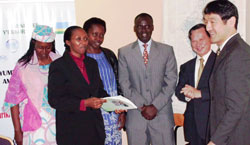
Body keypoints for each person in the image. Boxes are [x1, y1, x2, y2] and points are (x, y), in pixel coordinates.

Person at [118, 13, 177, 145]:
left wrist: (155, 106)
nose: (144, 30)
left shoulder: (167, 51)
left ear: (152, 27)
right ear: (134, 28)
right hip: (136, 116)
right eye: (140, 26)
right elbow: (124, 83)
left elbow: (171, 80)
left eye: (147, 26)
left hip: (162, 115)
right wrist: (142, 106)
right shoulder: (124, 52)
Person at [48, 26, 107, 145]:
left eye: (85, 39)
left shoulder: (92, 64)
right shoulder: (58, 66)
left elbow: (99, 91)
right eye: (78, 39)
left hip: (95, 129)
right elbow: (55, 100)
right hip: (72, 131)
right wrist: (84, 103)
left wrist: (113, 103)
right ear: (68, 42)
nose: (83, 43)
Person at [3, 24, 60, 145]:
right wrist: (17, 130)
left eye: (48, 47)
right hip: (34, 123)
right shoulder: (23, 66)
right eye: (40, 47)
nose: (44, 52)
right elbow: (13, 100)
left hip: (60, 121)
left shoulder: (59, 62)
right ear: (33, 44)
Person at [203, 1, 250, 145]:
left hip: (233, 138)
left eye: (213, 21)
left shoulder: (238, 54)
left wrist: (215, 141)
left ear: (231, 21)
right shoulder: (227, 51)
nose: (207, 27)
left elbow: (237, 107)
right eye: (206, 22)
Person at [83, 17, 125, 145]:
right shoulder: (80, 58)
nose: (98, 38)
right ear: (86, 34)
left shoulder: (109, 55)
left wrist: (122, 111)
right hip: (93, 113)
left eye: (101, 35)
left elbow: (119, 83)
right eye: (94, 34)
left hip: (113, 111)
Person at [175, 23, 216, 145]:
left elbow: (223, 91)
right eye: (194, 41)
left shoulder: (220, 63)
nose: (198, 44)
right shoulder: (186, 66)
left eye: (201, 39)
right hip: (193, 126)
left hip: (213, 125)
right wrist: (188, 94)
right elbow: (179, 91)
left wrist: (199, 93)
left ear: (210, 39)